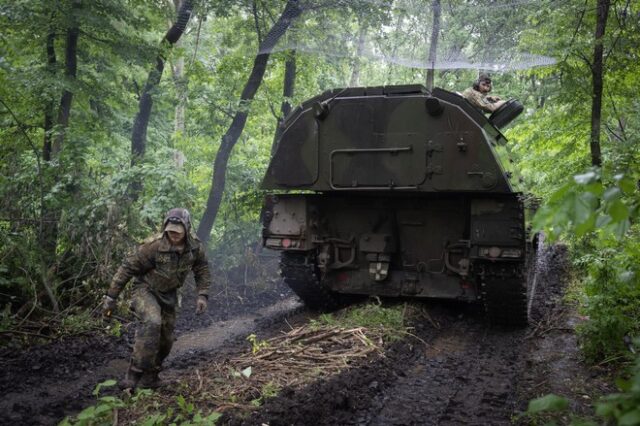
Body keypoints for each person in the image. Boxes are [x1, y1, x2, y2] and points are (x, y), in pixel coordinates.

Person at [102, 208, 211, 389]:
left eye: (178, 231)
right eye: (170, 230)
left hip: (169, 294)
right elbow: (127, 268)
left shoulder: (195, 248)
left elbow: (202, 270)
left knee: (166, 339)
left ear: (187, 228)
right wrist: (111, 297)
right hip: (146, 290)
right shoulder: (153, 246)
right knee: (152, 323)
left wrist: (202, 295)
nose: (174, 235)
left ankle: (151, 376)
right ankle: (134, 373)